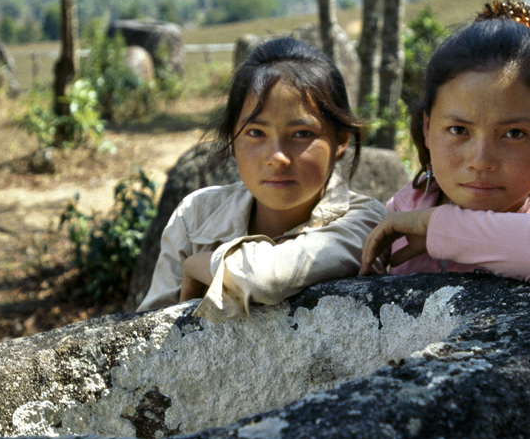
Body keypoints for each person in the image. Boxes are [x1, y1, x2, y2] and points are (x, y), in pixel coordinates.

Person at [360, 0, 530, 309]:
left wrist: (434, 225)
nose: (481, 161)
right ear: (428, 129)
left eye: (513, 134)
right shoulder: (405, 208)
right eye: (459, 130)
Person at [138, 36, 387, 321]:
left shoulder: (367, 223)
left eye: (301, 134)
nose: (276, 157)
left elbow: (268, 279)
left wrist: (200, 265)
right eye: (256, 133)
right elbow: (147, 333)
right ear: (232, 140)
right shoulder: (195, 216)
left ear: (341, 142)